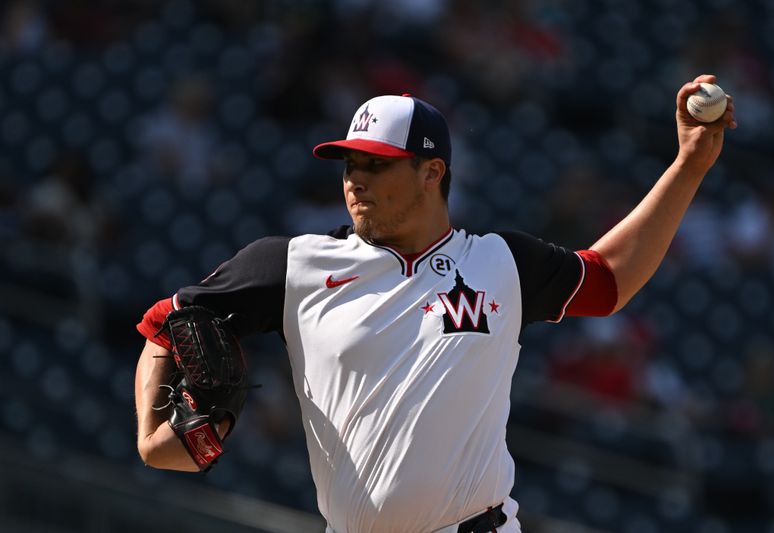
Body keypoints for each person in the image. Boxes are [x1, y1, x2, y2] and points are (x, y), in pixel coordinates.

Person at [134, 75, 736, 532]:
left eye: (377, 164)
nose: (354, 179)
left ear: (433, 172)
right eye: (349, 163)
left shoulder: (499, 262)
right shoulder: (293, 264)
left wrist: (688, 166)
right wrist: (151, 433)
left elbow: (608, 280)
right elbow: (167, 322)